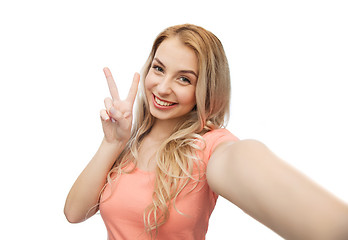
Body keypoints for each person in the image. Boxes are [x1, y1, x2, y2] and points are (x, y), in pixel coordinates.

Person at [64, 24, 348, 240]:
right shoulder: (130, 143)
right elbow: (74, 214)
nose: (163, 88)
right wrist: (112, 141)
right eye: (159, 69)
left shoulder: (211, 146)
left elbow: (240, 159)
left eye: (184, 78)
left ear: (207, 89)